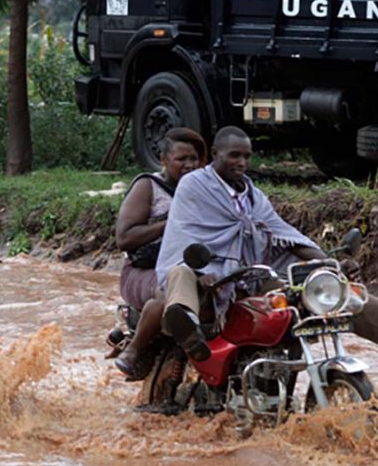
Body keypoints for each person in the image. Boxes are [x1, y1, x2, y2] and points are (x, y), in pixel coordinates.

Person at [156, 125, 378, 358]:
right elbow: (184, 238)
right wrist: (203, 272)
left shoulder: (254, 197)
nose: (241, 162)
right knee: (181, 272)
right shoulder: (194, 185)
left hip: (251, 278)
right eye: (234, 155)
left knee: (327, 292)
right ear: (214, 154)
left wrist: (331, 265)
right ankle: (188, 330)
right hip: (207, 281)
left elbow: (288, 237)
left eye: (246, 156)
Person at [113, 128, 207, 379]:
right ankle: (133, 351)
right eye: (181, 159)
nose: (189, 165)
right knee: (169, 297)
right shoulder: (149, 186)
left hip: (193, 268)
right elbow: (124, 238)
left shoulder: (204, 191)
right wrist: (170, 223)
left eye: (194, 159)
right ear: (164, 160)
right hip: (146, 270)